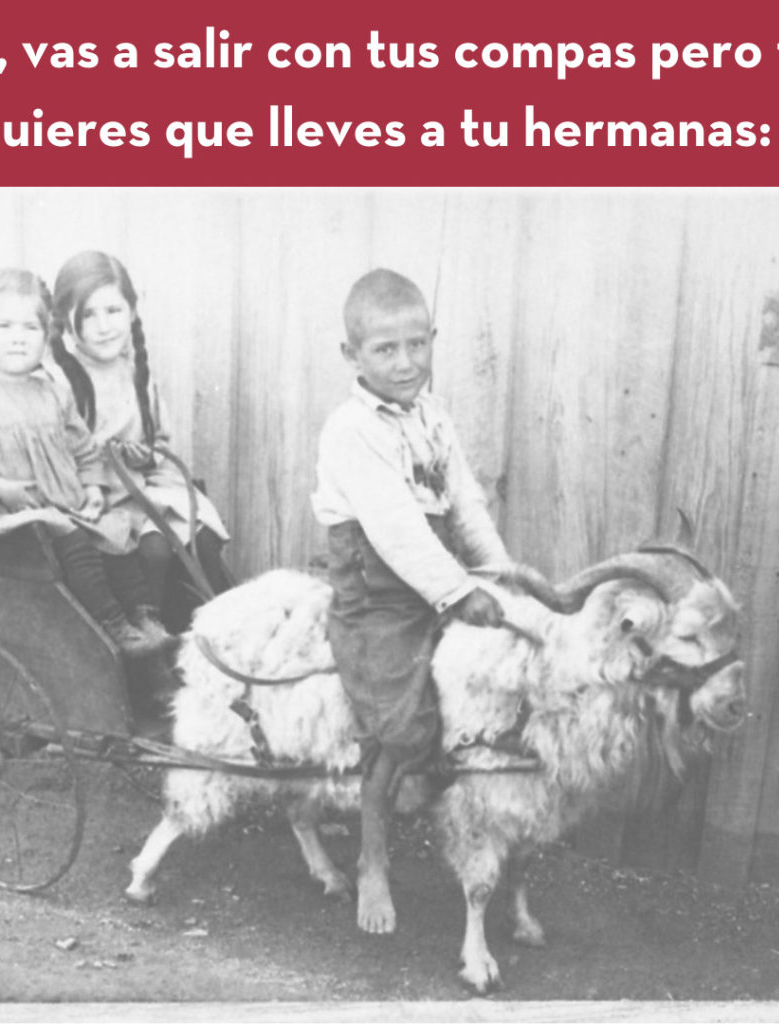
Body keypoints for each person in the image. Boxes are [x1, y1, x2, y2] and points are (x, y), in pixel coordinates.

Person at [312, 267, 515, 934]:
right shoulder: (350, 430)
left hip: (432, 582)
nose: (405, 364)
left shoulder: (432, 416)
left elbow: (464, 503)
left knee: (488, 692)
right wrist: (458, 592)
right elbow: (396, 529)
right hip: (376, 599)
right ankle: (372, 861)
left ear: (433, 339)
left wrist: (497, 575)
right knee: (399, 726)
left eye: (416, 346)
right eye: (384, 350)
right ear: (352, 356)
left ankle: (473, 841)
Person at [0, 266, 179, 664]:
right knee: (72, 534)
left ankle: (143, 616)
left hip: (60, 502)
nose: (18, 337)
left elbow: (83, 449)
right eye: (4, 326)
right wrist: (1, 488)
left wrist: (93, 488)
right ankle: (112, 624)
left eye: (30, 328)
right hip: (4, 514)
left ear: (45, 336)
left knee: (113, 529)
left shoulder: (52, 392)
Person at [48, 251, 231, 641]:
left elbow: (158, 440)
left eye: (113, 311)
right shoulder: (60, 380)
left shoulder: (137, 374)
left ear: (131, 311)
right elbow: (58, 456)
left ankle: (205, 643)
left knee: (202, 537)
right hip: (93, 498)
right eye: (88, 315)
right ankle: (147, 654)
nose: (102, 327)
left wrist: (145, 453)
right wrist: (102, 459)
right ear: (66, 320)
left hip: (141, 489)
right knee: (154, 552)